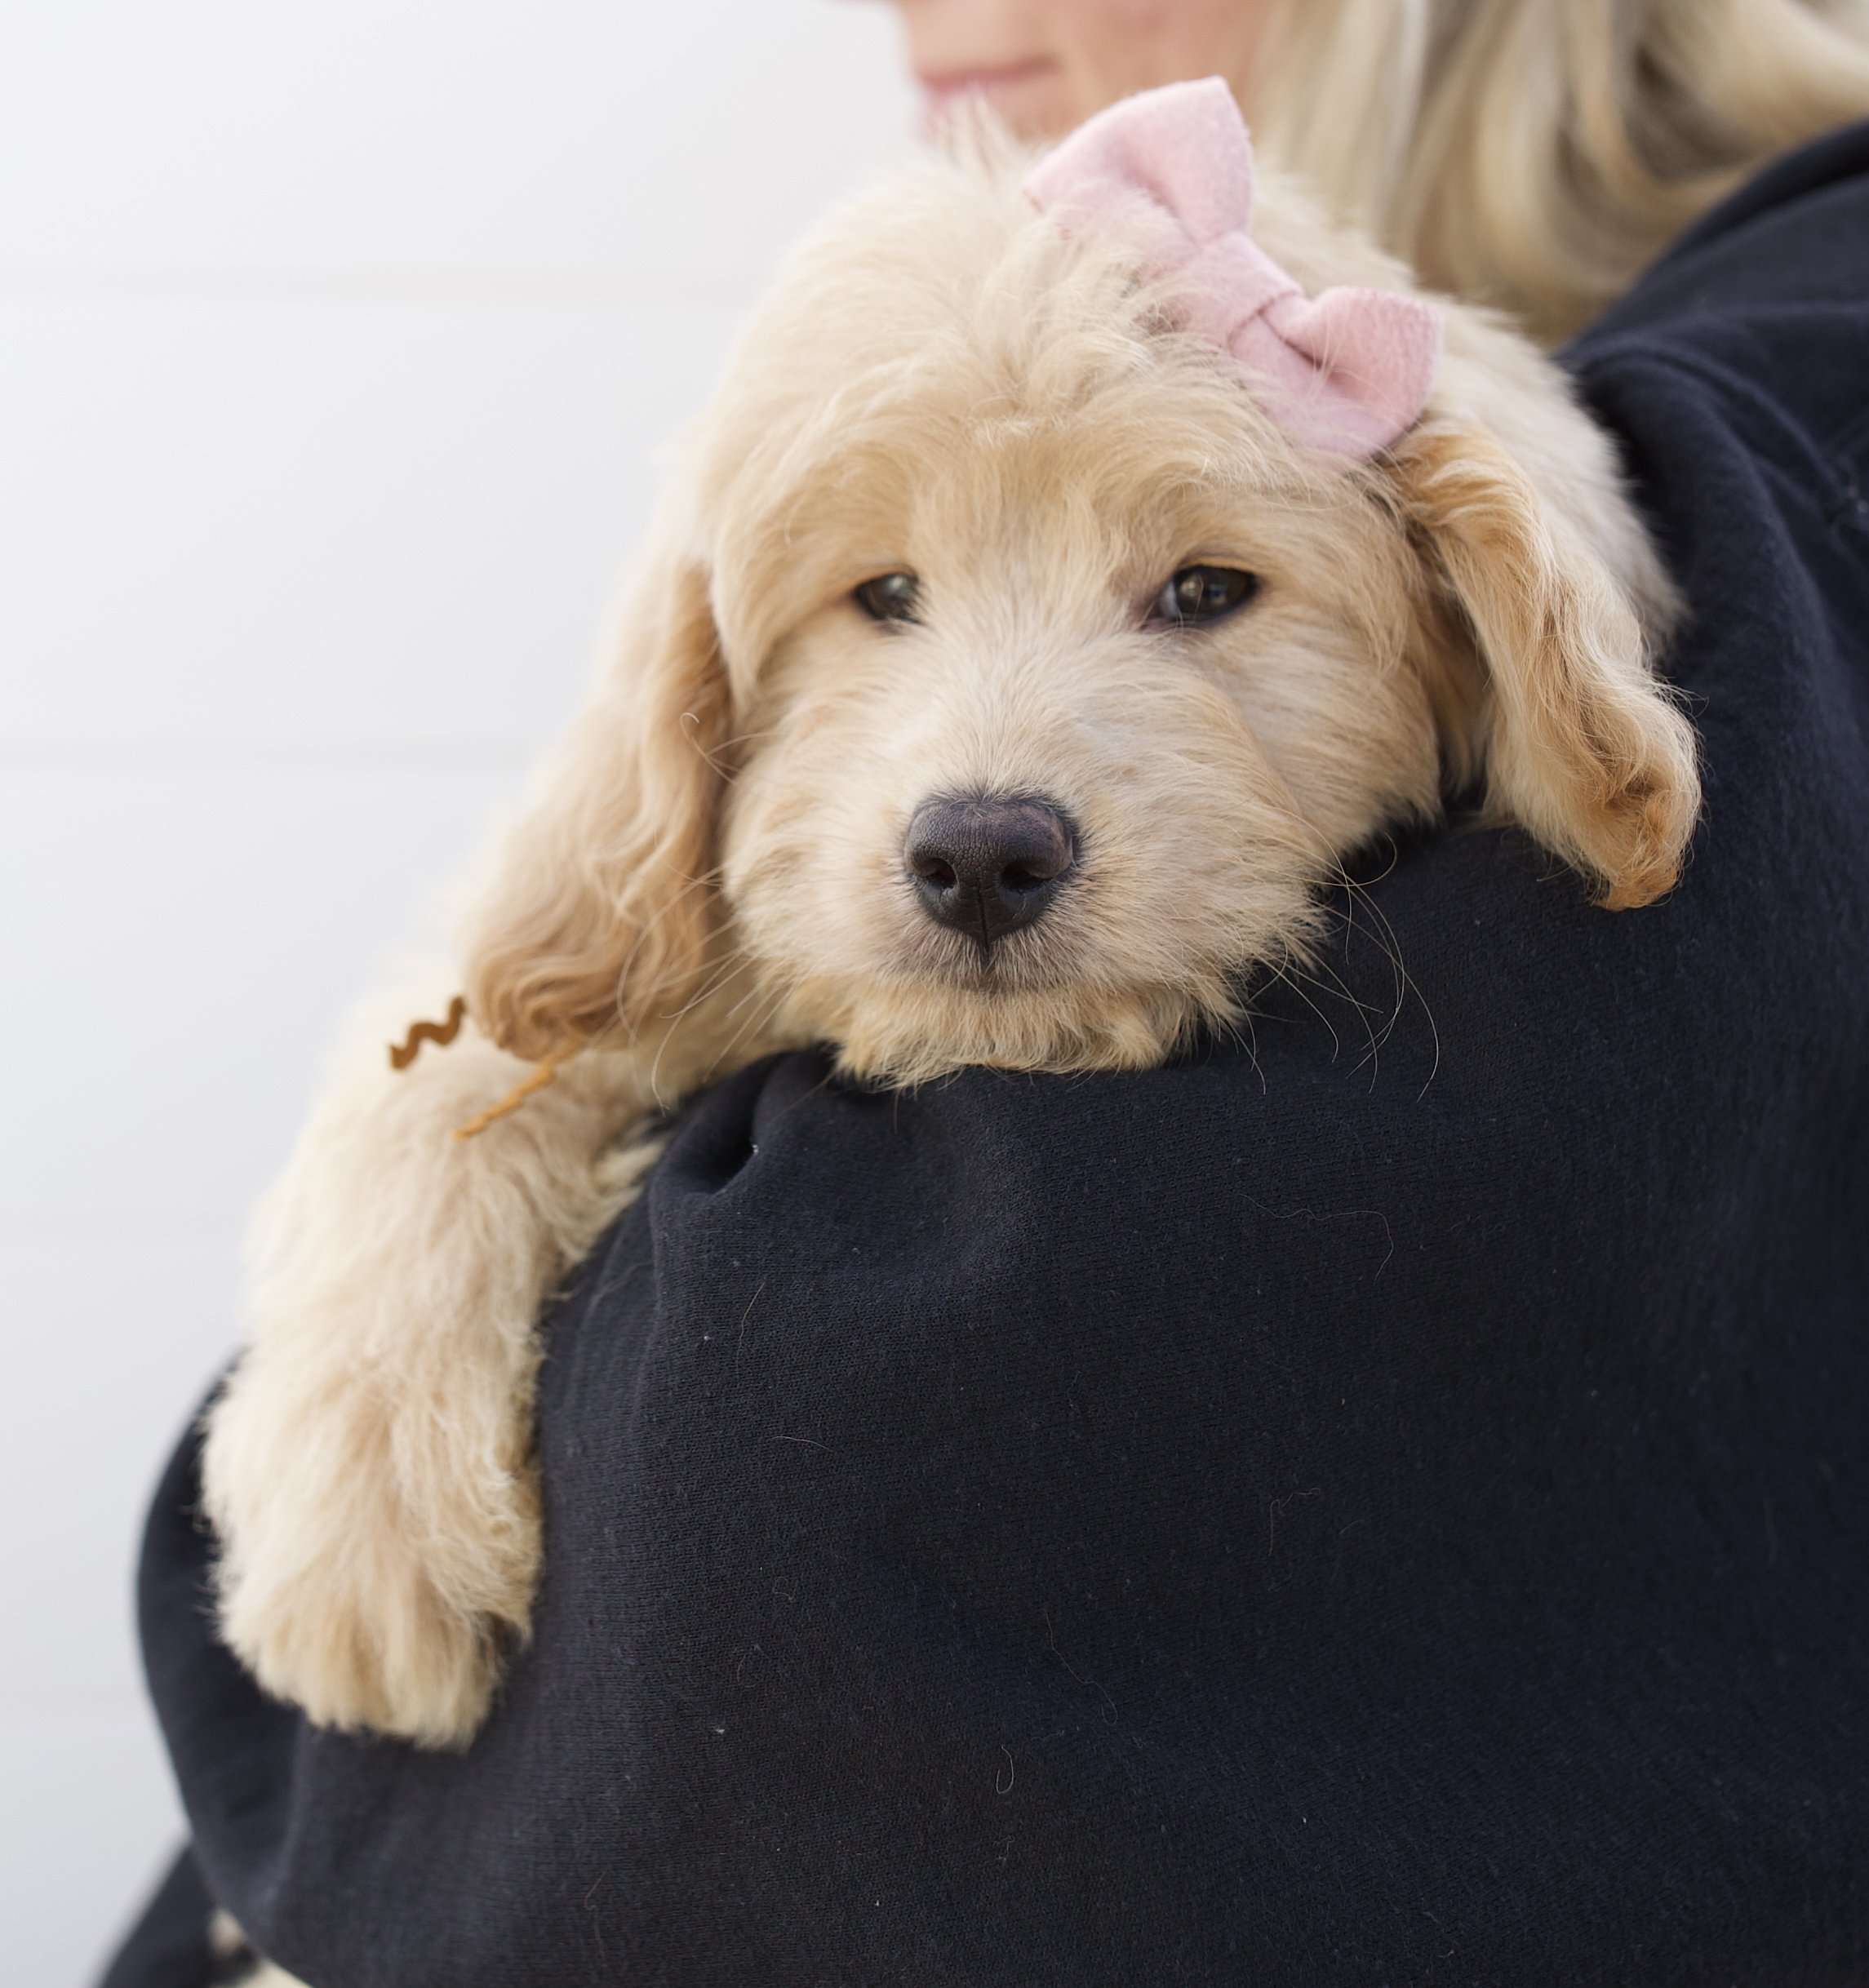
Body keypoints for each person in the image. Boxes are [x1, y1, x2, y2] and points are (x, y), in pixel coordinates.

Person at [105, 2, 1869, 1982]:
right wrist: (426, 1193)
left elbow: (818, 1475)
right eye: (881, 598)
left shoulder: (1761, 409)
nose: (981, 790)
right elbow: (540, 979)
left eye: (1198, 593)